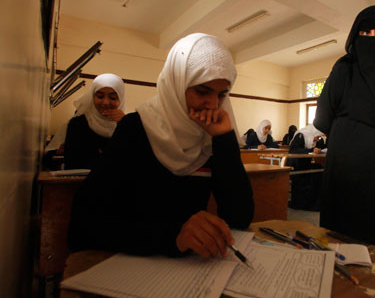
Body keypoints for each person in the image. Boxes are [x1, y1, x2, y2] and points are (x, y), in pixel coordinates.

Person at [67, 33, 254, 259]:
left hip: (191, 270)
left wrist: (225, 139)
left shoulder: (208, 136)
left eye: (222, 94)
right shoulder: (136, 128)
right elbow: (84, 225)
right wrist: (173, 237)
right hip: (138, 263)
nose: (213, 105)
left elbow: (239, 217)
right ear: (177, 83)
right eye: (202, 91)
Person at [313, 6, 375, 294]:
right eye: (366, 32)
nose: (373, 38)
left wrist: (354, 127)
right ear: (355, 36)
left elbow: (323, 119)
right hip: (360, 170)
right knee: (358, 237)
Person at [64, 73, 126, 169]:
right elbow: (73, 163)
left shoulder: (125, 125)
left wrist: (125, 124)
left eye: (113, 98)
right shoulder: (78, 124)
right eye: (100, 96)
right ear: (92, 97)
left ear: (121, 99)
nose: (105, 102)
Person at [287, 125, 325, 211]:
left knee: (319, 169)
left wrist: (315, 150)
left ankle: (314, 202)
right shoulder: (301, 135)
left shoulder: (309, 138)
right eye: (317, 137)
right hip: (295, 165)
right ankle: (305, 204)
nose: (316, 140)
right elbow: (293, 150)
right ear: (312, 133)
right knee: (314, 173)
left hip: (303, 164)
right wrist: (311, 150)